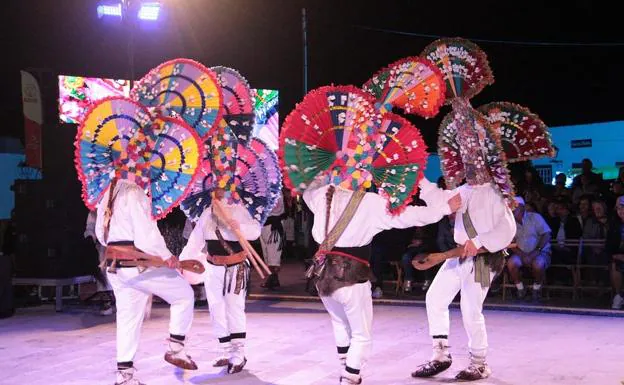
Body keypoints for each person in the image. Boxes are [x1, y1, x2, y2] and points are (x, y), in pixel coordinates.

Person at [304, 181, 460, 384]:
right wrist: (446, 208)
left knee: (340, 323)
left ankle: (345, 367)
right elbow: (409, 216)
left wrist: (318, 177)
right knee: (361, 334)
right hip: (351, 277)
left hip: (322, 276)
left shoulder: (323, 193)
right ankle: (350, 376)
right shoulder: (369, 203)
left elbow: (306, 189)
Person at [96, 179, 198, 385]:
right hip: (138, 265)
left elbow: (101, 234)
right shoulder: (135, 192)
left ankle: (124, 375)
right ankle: (176, 348)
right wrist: (166, 256)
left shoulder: (107, 193)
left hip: (115, 266)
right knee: (184, 295)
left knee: (127, 319)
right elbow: (146, 235)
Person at [179, 189, 261, 374]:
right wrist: (183, 261)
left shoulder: (240, 209)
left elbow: (255, 231)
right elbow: (195, 241)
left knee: (234, 307)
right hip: (212, 267)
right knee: (216, 307)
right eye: (214, 189)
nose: (216, 193)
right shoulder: (206, 213)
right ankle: (225, 349)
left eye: (220, 188)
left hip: (235, 267)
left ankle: (239, 352)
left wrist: (238, 226)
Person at [506, 197, 552, 301]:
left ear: (522, 207)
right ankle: (521, 289)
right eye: (510, 207)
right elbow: (509, 242)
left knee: (538, 264)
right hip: (521, 253)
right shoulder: (510, 222)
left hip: (540, 252)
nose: (511, 209)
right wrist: (523, 255)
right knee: (511, 263)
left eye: (514, 207)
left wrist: (536, 251)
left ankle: (537, 289)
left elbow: (547, 234)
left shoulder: (535, 217)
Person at [85, 210, 114, 315]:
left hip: (122, 242)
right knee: (102, 266)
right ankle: (106, 298)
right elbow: (91, 226)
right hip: (103, 244)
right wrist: (90, 236)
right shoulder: (97, 206)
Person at [260, 194, 285, 289]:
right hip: (265, 225)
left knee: (273, 253)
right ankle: (273, 279)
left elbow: (275, 209)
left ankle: (272, 278)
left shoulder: (276, 191)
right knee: (267, 253)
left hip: (273, 225)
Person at [607, 196, 624, 309]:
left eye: (623, 208)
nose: (621, 211)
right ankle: (619, 296)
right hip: (619, 257)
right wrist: (614, 255)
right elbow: (608, 246)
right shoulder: (614, 226)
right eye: (619, 209)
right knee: (615, 265)